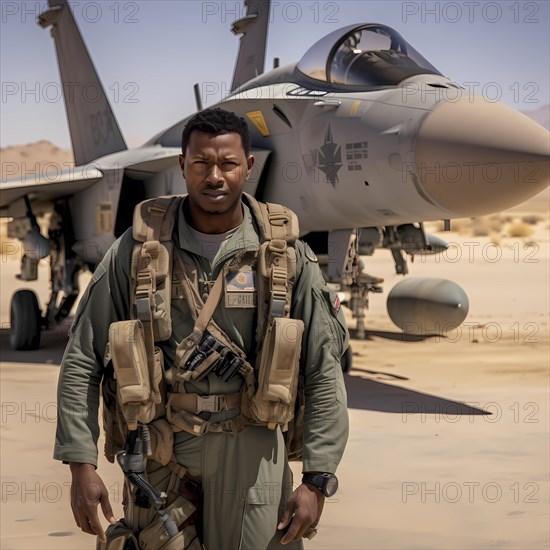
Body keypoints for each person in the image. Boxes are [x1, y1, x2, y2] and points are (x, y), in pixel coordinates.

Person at [54, 108, 349, 549]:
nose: (215, 177)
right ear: (182, 167)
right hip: (162, 455)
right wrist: (80, 462)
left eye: (228, 164)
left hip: (255, 456)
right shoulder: (136, 251)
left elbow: (323, 369)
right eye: (201, 164)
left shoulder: (285, 255)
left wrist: (318, 477)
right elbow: (82, 357)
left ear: (249, 167)